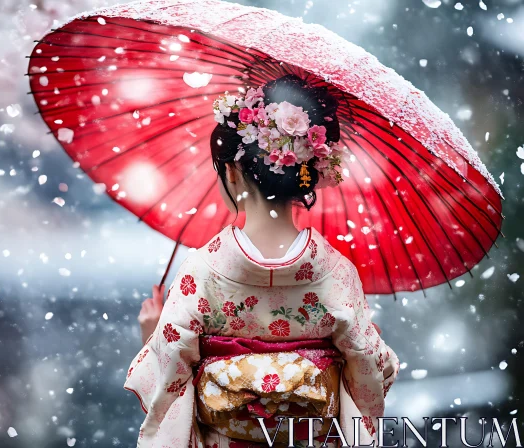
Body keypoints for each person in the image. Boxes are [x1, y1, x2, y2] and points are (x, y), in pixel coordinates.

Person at [124, 75, 400, 448]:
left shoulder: (203, 270)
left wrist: (152, 339)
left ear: (233, 173)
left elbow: (168, 377)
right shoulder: (336, 273)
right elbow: (371, 373)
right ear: (304, 172)